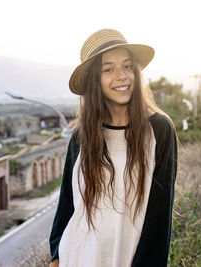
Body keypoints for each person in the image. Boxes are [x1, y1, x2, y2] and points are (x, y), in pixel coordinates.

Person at [49, 29, 177, 267]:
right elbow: (67, 205)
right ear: (94, 80)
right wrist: (56, 257)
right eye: (108, 69)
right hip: (77, 259)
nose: (122, 76)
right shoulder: (81, 136)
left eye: (128, 66)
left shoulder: (158, 129)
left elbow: (159, 219)